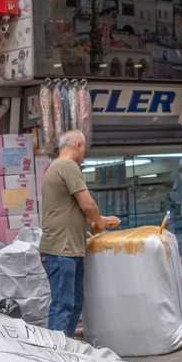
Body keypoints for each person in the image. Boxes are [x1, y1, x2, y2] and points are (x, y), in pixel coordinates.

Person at [39, 130, 120, 336]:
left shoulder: (55, 167)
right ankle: (56, 355)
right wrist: (100, 220)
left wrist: (98, 224)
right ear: (77, 146)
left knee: (73, 303)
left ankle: (66, 349)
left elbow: (72, 212)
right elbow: (87, 204)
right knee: (64, 305)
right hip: (61, 250)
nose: (84, 154)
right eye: (84, 149)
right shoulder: (68, 166)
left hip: (68, 249)